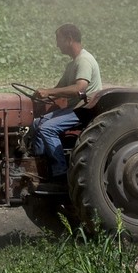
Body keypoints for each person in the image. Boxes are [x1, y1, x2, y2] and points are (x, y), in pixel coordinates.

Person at [31, 24, 102, 182]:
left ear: (69, 40)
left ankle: (60, 172)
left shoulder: (84, 60)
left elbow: (79, 89)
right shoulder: (72, 64)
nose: (57, 44)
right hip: (74, 109)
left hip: (84, 109)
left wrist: (49, 91)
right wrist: (40, 95)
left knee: (47, 129)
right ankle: (38, 164)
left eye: (58, 40)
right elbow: (59, 89)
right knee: (36, 123)